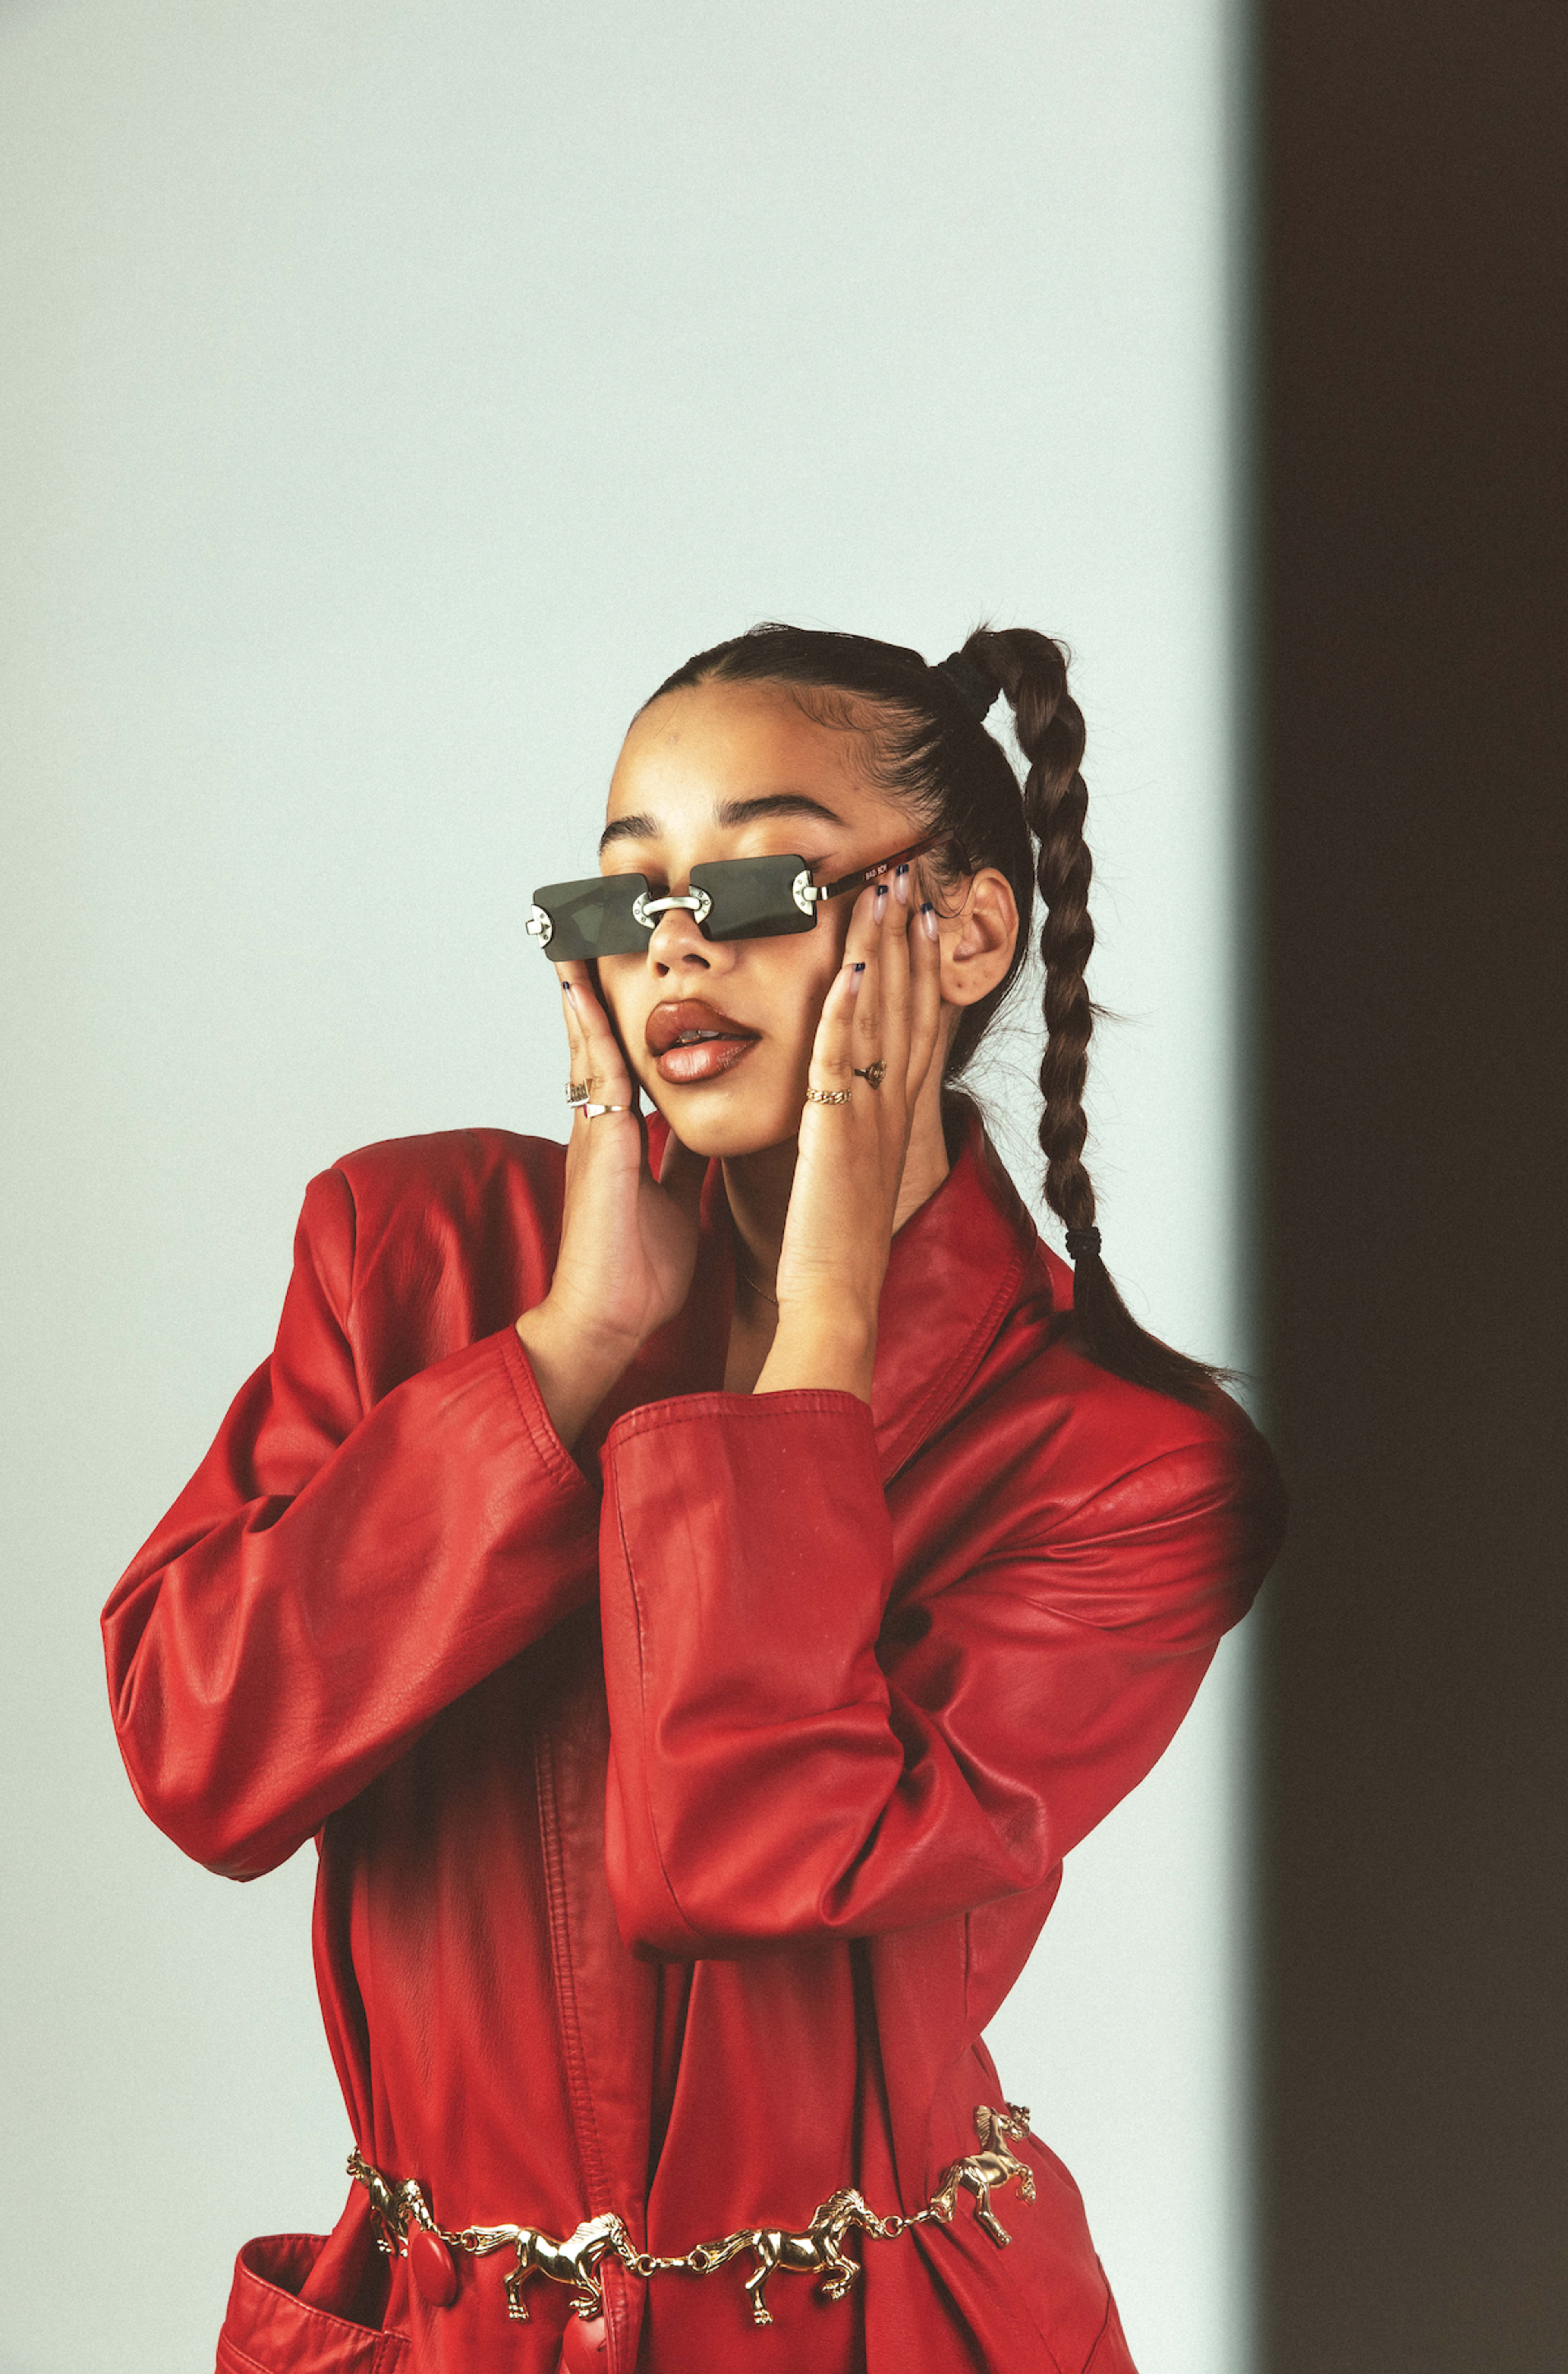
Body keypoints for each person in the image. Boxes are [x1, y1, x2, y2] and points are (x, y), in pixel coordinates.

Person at [103, 624, 1285, 2374]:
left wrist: (818, 1328)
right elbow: (207, 1754)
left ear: (963, 928)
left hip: (884, 2331)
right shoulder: (405, 1254)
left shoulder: (1129, 1468)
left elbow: (754, 1850)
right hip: (435, 2329)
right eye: (620, 894)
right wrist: (568, 1353)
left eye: (755, 877)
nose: (670, 941)